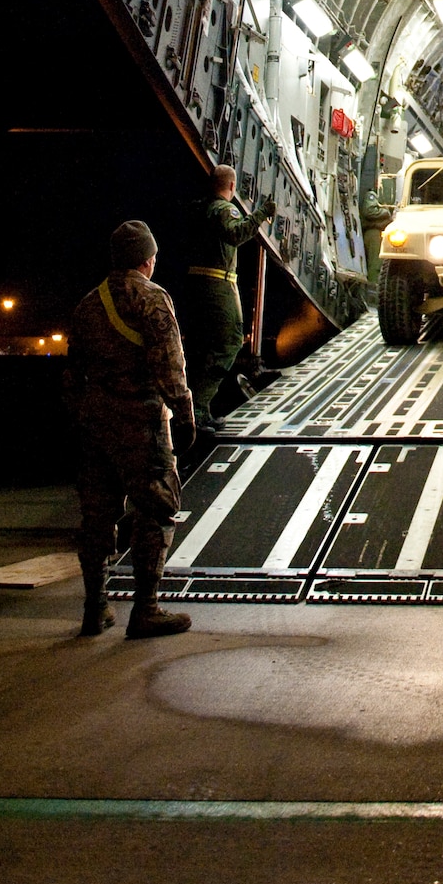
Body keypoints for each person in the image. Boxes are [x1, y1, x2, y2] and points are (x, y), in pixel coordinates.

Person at [64, 219, 197, 640]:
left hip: (94, 422)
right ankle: (146, 609)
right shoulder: (152, 298)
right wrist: (185, 412)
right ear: (147, 259)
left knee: (97, 514)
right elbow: (169, 363)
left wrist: (85, 416)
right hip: (140, 421)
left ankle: (95, 608)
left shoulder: (87, 304)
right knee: (155, 507)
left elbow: (73, 372)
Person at [184, 165, 275, 433]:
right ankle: (198, 409)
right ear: (232, 186)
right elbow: (236, 234)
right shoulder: (224, 210)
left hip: (199, 283)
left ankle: (195, 408)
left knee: (203, 347)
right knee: (230, 341)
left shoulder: (201, 208)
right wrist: (260, 214)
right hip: (218, 283)